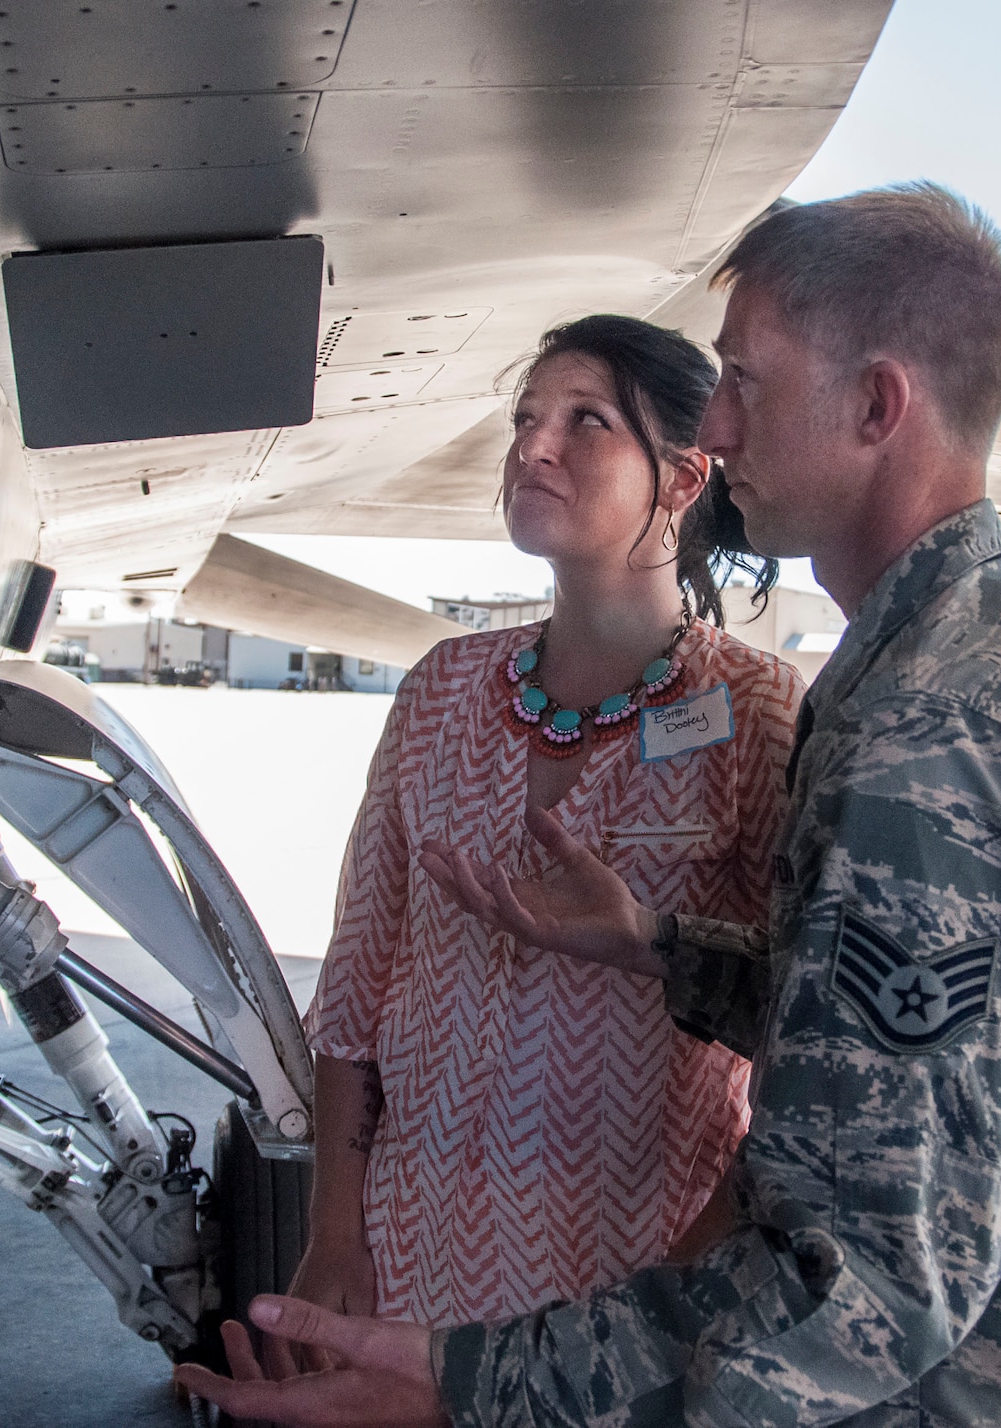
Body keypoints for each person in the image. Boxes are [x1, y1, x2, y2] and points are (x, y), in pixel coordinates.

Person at [177, 182, 1001, 1427]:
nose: (718, 419)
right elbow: (892, 1053)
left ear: (875, 406)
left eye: (745, 380)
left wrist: (470, 1386)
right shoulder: (927, 673)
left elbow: (867, 1275)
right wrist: (655, 948)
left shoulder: (931, 729)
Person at [289, 315, 804, 1335]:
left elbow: (800, 1021)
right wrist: (333, 1236)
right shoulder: (441, 690)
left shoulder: (758, 715)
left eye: (586, 422)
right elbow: (356, 982)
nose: (532, 447)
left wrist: (697, 1267)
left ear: (685, 479)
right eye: (527, 418)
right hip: (410, 1253)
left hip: (633, 1268)